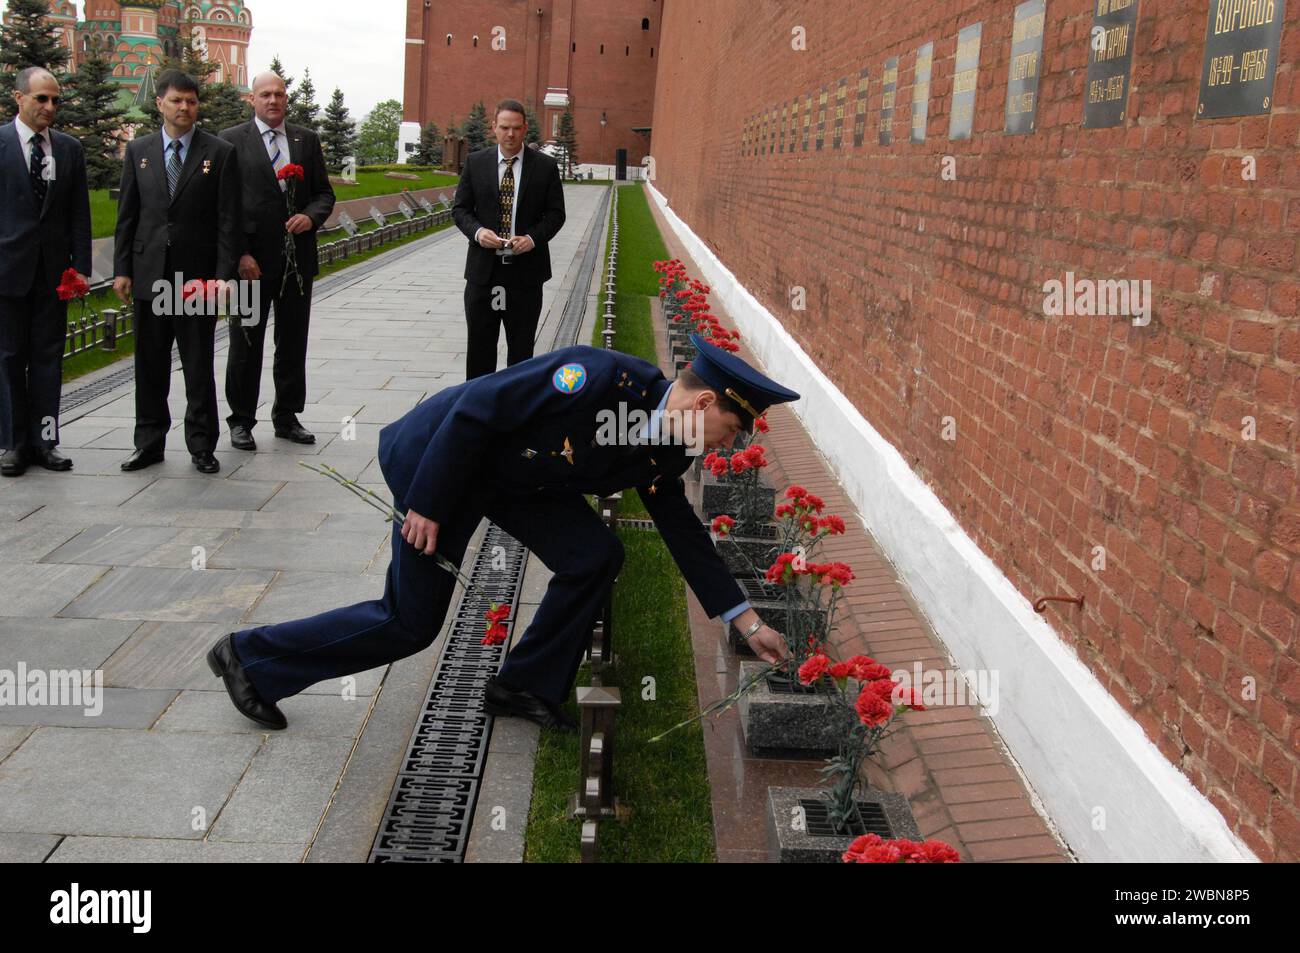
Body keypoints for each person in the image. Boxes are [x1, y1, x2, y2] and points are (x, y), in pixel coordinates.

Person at [206, 335, 799, 730]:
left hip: (515, 483)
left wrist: (745, 621)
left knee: (595, 554)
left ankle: (524, 685)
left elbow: (681, 529)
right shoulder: (597, 378)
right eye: (731, 428)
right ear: (703, 402)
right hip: (441, 464)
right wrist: (428, 504)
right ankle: (251, 656)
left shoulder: (672, 446)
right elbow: (475, 411)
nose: (729, 445)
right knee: (410, 622)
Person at [112, 69, 239, 474]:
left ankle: (202, 445)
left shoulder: (218, 153)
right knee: (149, 365)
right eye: (176, 100)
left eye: (191, 101)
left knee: (198, 364)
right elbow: (127, 215)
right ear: (160, 104)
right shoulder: (139, 151)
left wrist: (222, 275)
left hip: (196, 280)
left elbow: (227, 221)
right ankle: (148, 442)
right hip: (149, 275)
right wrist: (122, 270)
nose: (184, 108)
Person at [220, 70, 336, 451]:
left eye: (279, 94)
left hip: (295, 264)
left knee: (292, 342)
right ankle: (241, 420)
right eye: (265, 94)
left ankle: (287, 415)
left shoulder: (305, 140)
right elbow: (226, 209)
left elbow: (323, 193)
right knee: (246, 342)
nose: (273, 100)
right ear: (251, 99)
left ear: (287, 99)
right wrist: (240, 254)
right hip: (250, 265)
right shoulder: (231, 142)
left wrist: (311, 217)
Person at [0, 67, 92, 477]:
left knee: (48, 360)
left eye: (55, 100)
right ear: (18, 98)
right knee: (7, 360)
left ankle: (45, 441)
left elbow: (79, 215)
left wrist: (80, 269)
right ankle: (13, 445)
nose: (50, 107)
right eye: (41, 99)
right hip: (7, 272)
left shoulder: (69, 149)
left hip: (53, 276)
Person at [452, 99, 566, 380]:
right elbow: (460, 209)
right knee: (480, 350)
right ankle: (478, 412)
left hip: (525, 276)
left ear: (525, 128)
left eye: (516, 128)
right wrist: (478, 233)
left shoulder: (545, 167)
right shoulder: (476, 163)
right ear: (494, 128)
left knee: (521, 354)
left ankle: (516, 414)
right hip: (483, 274)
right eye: (504, 127)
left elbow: (556, 214)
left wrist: (532, 238)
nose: (510, 134)